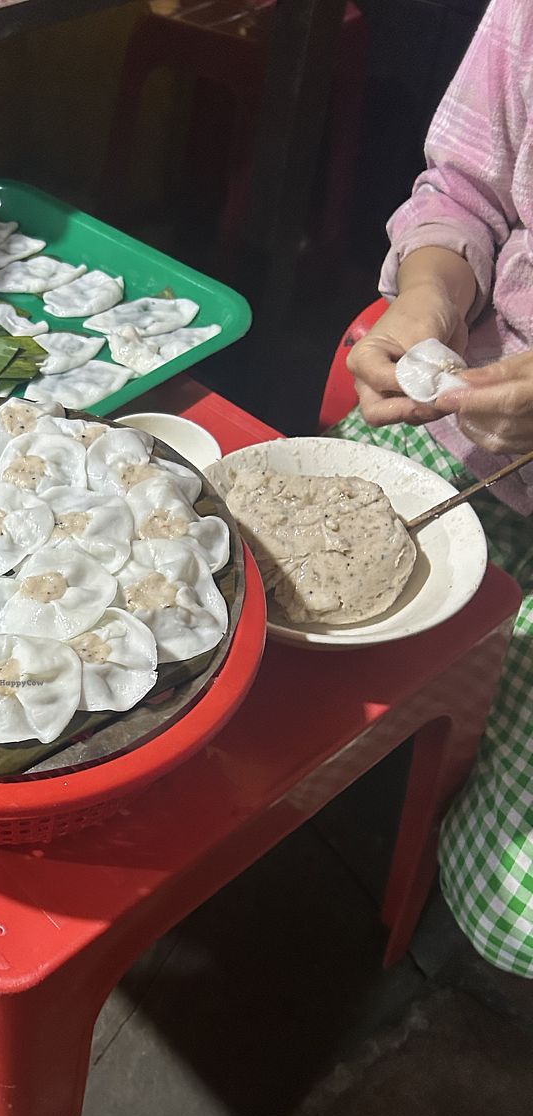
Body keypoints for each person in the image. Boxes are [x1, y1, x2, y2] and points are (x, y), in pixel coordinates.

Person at [333, 0, 532, 976]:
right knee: (273, 592)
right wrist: (429, 299)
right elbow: (464, 189)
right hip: (474, 428)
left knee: (509, 911)